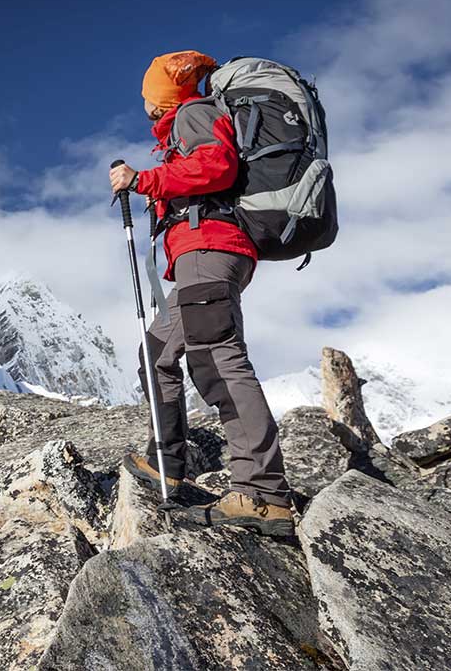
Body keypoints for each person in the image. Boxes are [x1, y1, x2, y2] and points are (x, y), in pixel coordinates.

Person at [108, 50, 295, 536]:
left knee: (217, 358)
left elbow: (218, 168)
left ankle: (262, 493)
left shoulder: (193, 114)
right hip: (201, 254)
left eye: (148, 94)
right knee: (158, 353)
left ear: (161, 96)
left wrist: (143, 180)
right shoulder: (184, 125)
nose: (144, 103)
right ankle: (166, 461)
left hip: (209, 247)